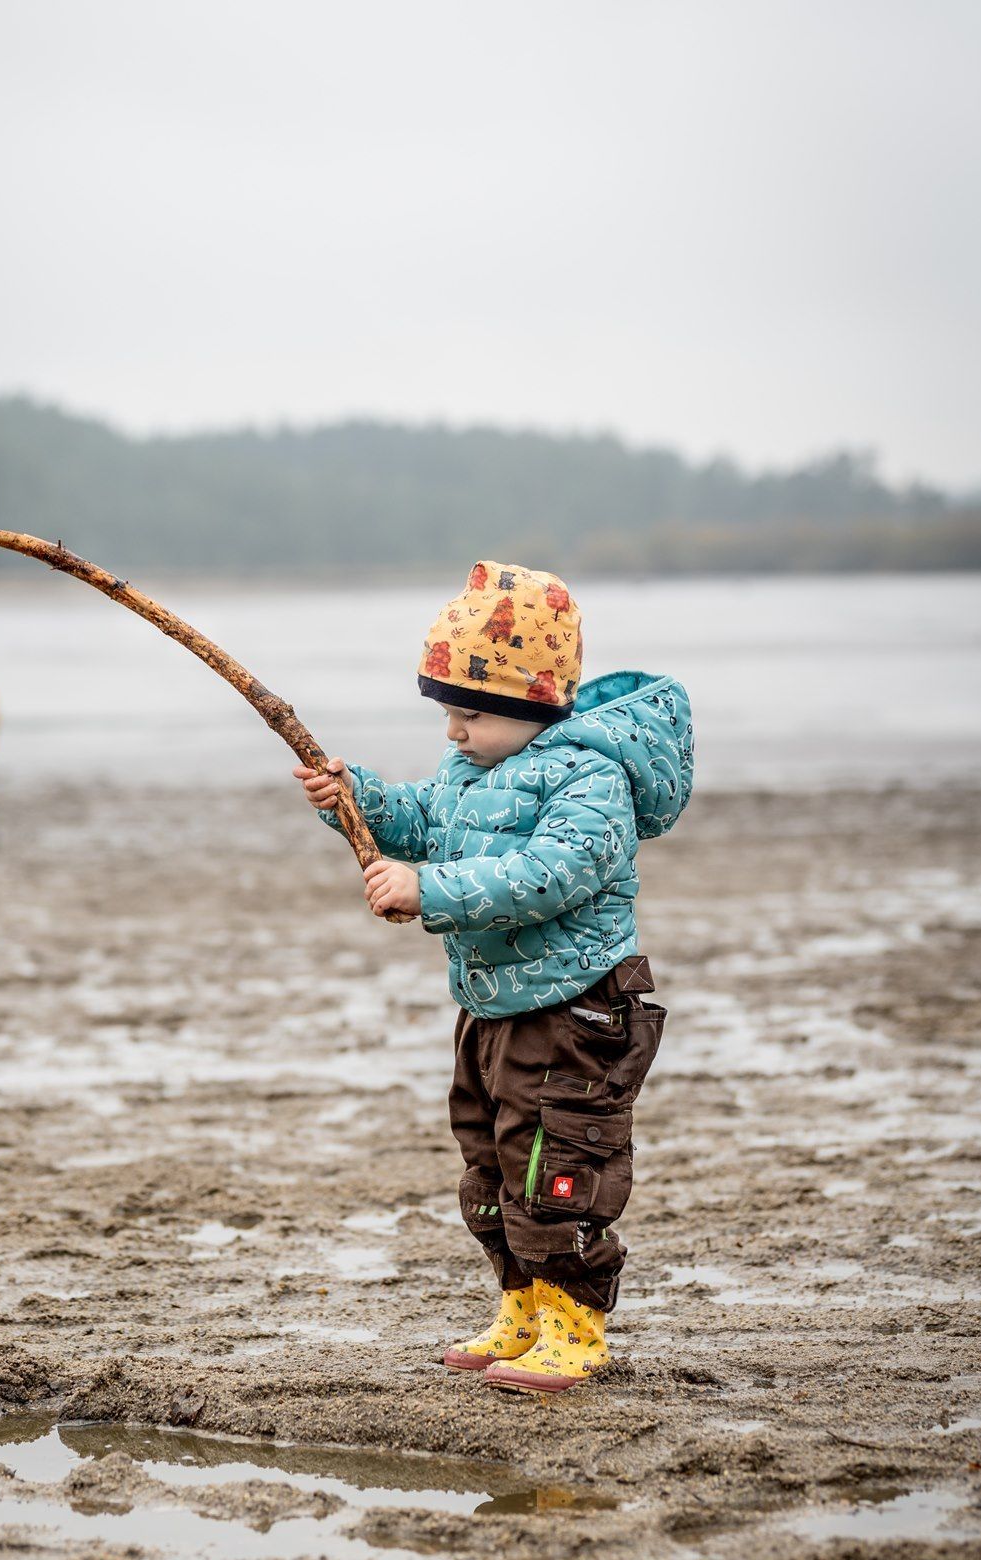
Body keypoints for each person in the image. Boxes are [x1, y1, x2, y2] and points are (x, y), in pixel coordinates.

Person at [294, 559, 693, 1393]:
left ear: (530, 703)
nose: (452, 732)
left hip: (575, 1010)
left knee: (558, 1164)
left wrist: (428, 890)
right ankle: (522, 1308)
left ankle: (575, 1328)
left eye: (468, 714)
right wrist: (354, 798)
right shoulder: (471, 769)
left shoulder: (589, 776)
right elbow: (423, 821)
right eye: (447, 713)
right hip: (491, 1006)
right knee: (491, 1161)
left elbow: (550, 875)